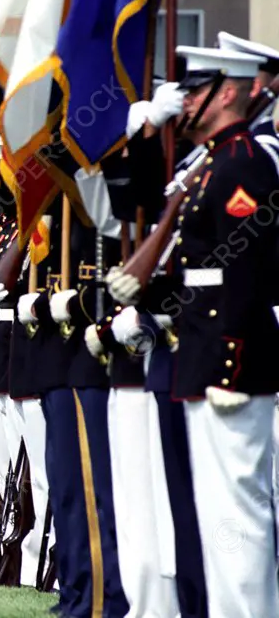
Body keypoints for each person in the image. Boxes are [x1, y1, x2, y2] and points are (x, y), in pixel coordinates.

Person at [110, 45, 279, 617]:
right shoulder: (209, 164)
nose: (184, 102)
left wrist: (231, 363)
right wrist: (148, 297)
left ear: (226, 91)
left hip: (231, 365)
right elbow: (197, 271)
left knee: (240, 515)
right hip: (198, 358)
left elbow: (247, 269)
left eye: (194, 90)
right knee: (214, 515)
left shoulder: (245, 162)